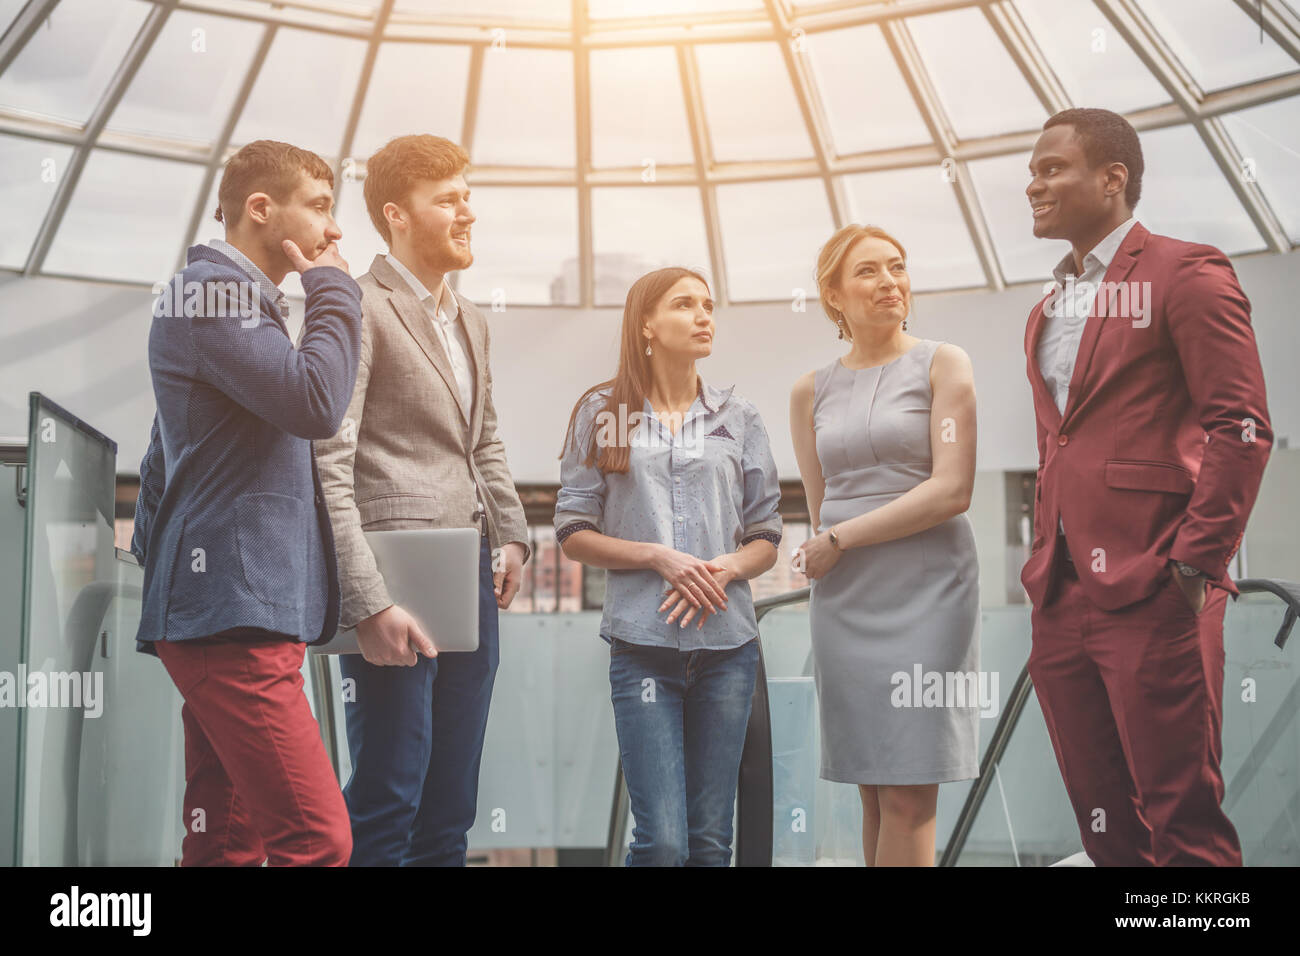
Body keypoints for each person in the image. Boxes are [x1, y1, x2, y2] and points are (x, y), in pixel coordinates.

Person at [1021, 108, 1272, 866]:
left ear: (1113, 178)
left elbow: (1242, 428)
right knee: (1106, 830)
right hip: (1060, 598)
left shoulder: (1185, 271)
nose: (1033, 185)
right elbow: (1061, 447)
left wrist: (1196, 565)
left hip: (1158, 587)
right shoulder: (1044, 309)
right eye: (1031, 173)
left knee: (1184, 825)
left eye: (1051, 168)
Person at [130, 139, 362, 866]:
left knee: (227, 843)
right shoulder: (209, 295)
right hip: (232, 620)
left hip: (226, 614)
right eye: (321, 208)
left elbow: (162, 460)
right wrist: (334, 290)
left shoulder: (236, 306)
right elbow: (316, 401)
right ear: (260, 208)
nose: (334, 232)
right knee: (317, 841)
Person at [312, 134, 530, 867]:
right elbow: (327, 460)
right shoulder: (361, 307)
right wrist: (366, 602)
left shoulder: (472, 321)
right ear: (397, 214)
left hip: (468, 577)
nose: (468, 213)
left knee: (449, 807)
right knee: (389, 795)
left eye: (469, 197)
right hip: (392, 581)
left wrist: (514, 536)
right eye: (449, 200)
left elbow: (484, 442)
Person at [554, 267, 782, 866]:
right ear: (647, 323)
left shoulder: (741, 418)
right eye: (685, 304)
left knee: (710, 842)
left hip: (728, 648)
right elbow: (573, 532)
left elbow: (766, 535)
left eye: (708, 305)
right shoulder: (601, 414)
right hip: (642, 646)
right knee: (662, 842)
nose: (704, 315)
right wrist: (658, 556)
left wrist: (728, 567)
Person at [789, 224, 980, 867]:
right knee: (873, 788)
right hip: (845, 599)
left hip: (931, 593)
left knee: (908, 791)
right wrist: (832, 539)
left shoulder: (944, 362)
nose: (889, 282)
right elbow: (822, 503)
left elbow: (953, 489)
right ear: (833, 295)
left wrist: (839, 537)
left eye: (896, 267)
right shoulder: (808, 390)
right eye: (867, 271)